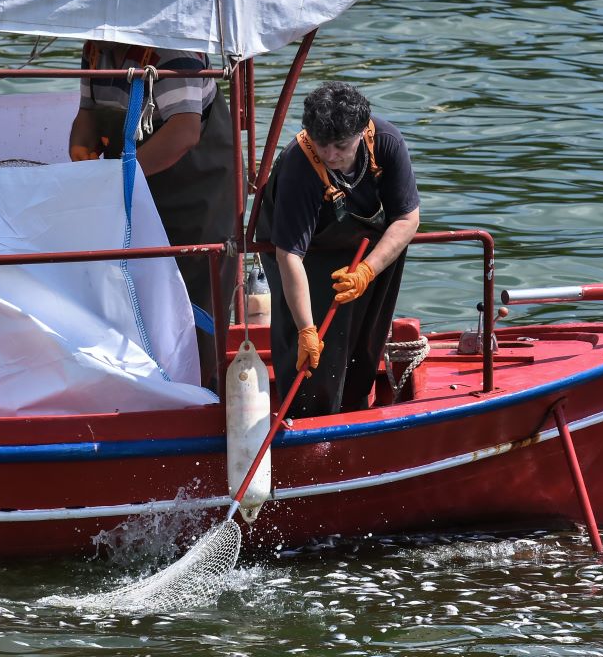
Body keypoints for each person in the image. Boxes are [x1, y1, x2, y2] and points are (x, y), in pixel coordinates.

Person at [69, 41, 237, 387]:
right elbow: (87, 115)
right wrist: (81, 152)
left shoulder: (177, 55)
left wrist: (117, 178)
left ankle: (201, 388)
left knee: (194, 287)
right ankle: (138, 383)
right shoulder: (94, 52)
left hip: (197, 188)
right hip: (131, 186)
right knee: (128, 281)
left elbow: (185, 132)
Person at [255, 81, 420, 417]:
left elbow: (407, 219)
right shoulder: (299, 165)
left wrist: (367, 270)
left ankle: (356, 407)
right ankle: (307, 421)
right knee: (314, 359)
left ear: (362, 132)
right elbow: (290, 255)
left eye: (341, 146)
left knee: (366, 338)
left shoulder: (387, 142)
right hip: (303, 257)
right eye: (322, 145)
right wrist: (305, 329)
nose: (330, 155)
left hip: (370, 253)